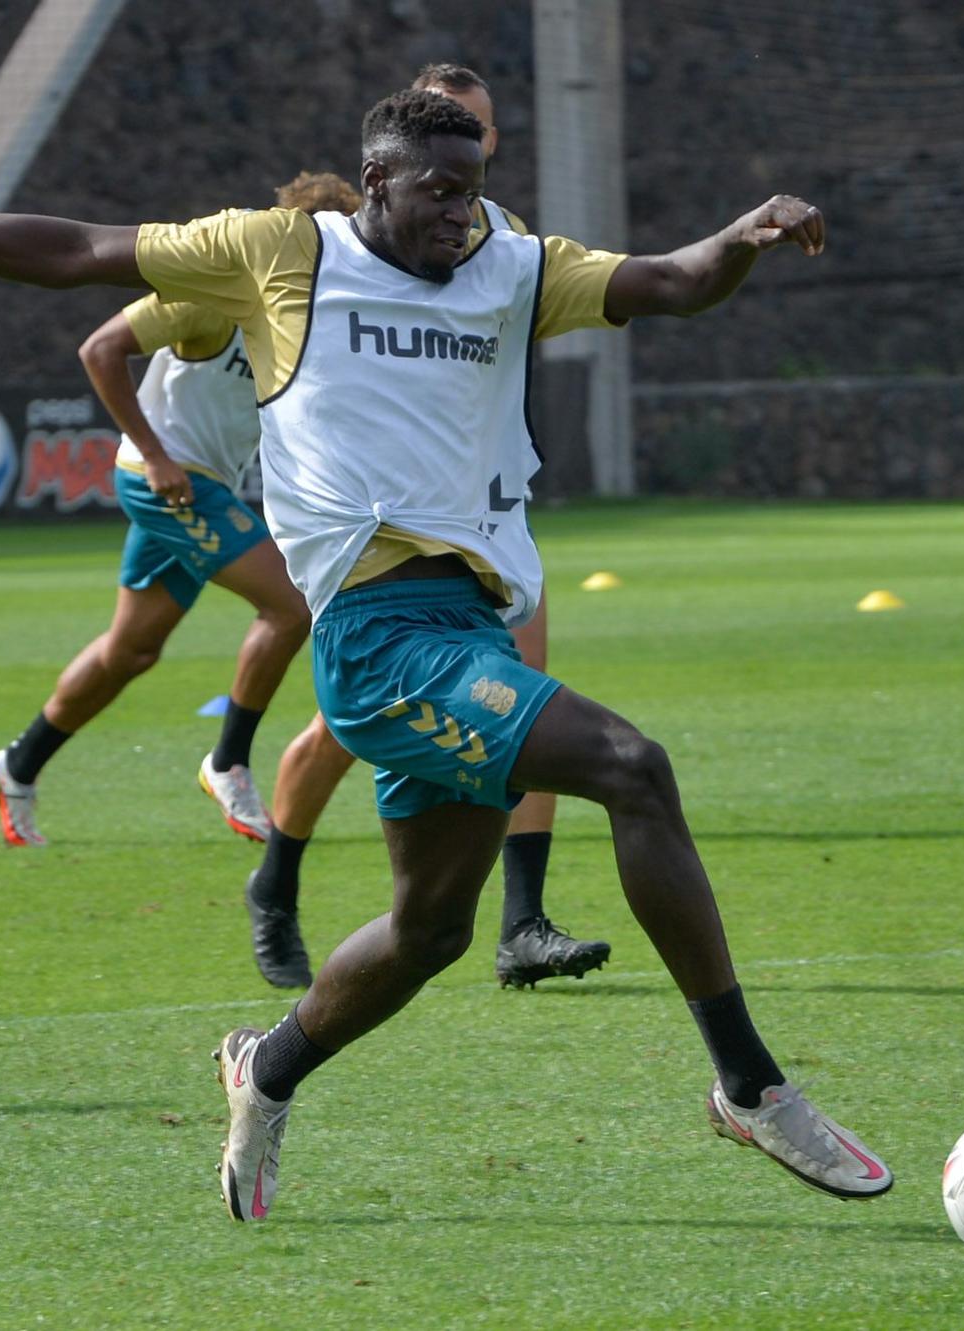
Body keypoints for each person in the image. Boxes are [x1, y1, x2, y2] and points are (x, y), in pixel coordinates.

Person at [0, 89, 894, 1219]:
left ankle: (265, 1068)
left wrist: (742, 237)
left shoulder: (511, 265)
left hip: (465, 626)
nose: (462, 212)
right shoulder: (277, 250)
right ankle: (748, 1083)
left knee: (429, 932)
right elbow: (79, 252)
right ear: (374, 181)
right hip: (376, 637)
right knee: (630, 764)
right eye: (438, 190)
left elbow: (671, 280)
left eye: (473, 188)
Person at [247, 64, 611, 993]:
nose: (477, 147)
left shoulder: (503, 246)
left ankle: (522, 920)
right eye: (461, 133)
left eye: (485, 135)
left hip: (487, 526)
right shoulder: (316, 258)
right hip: (378, 555)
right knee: (339, 727)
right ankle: (276, 881)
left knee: (526, 698)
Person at [0, 172, 357, 848]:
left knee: (132, 649)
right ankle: (229, 761)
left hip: (206, 488)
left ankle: (18, 764)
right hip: (167, 482)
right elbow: (100, 349)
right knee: (290, 606)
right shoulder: (213, 292)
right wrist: (153, 454)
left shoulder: (305, 313)